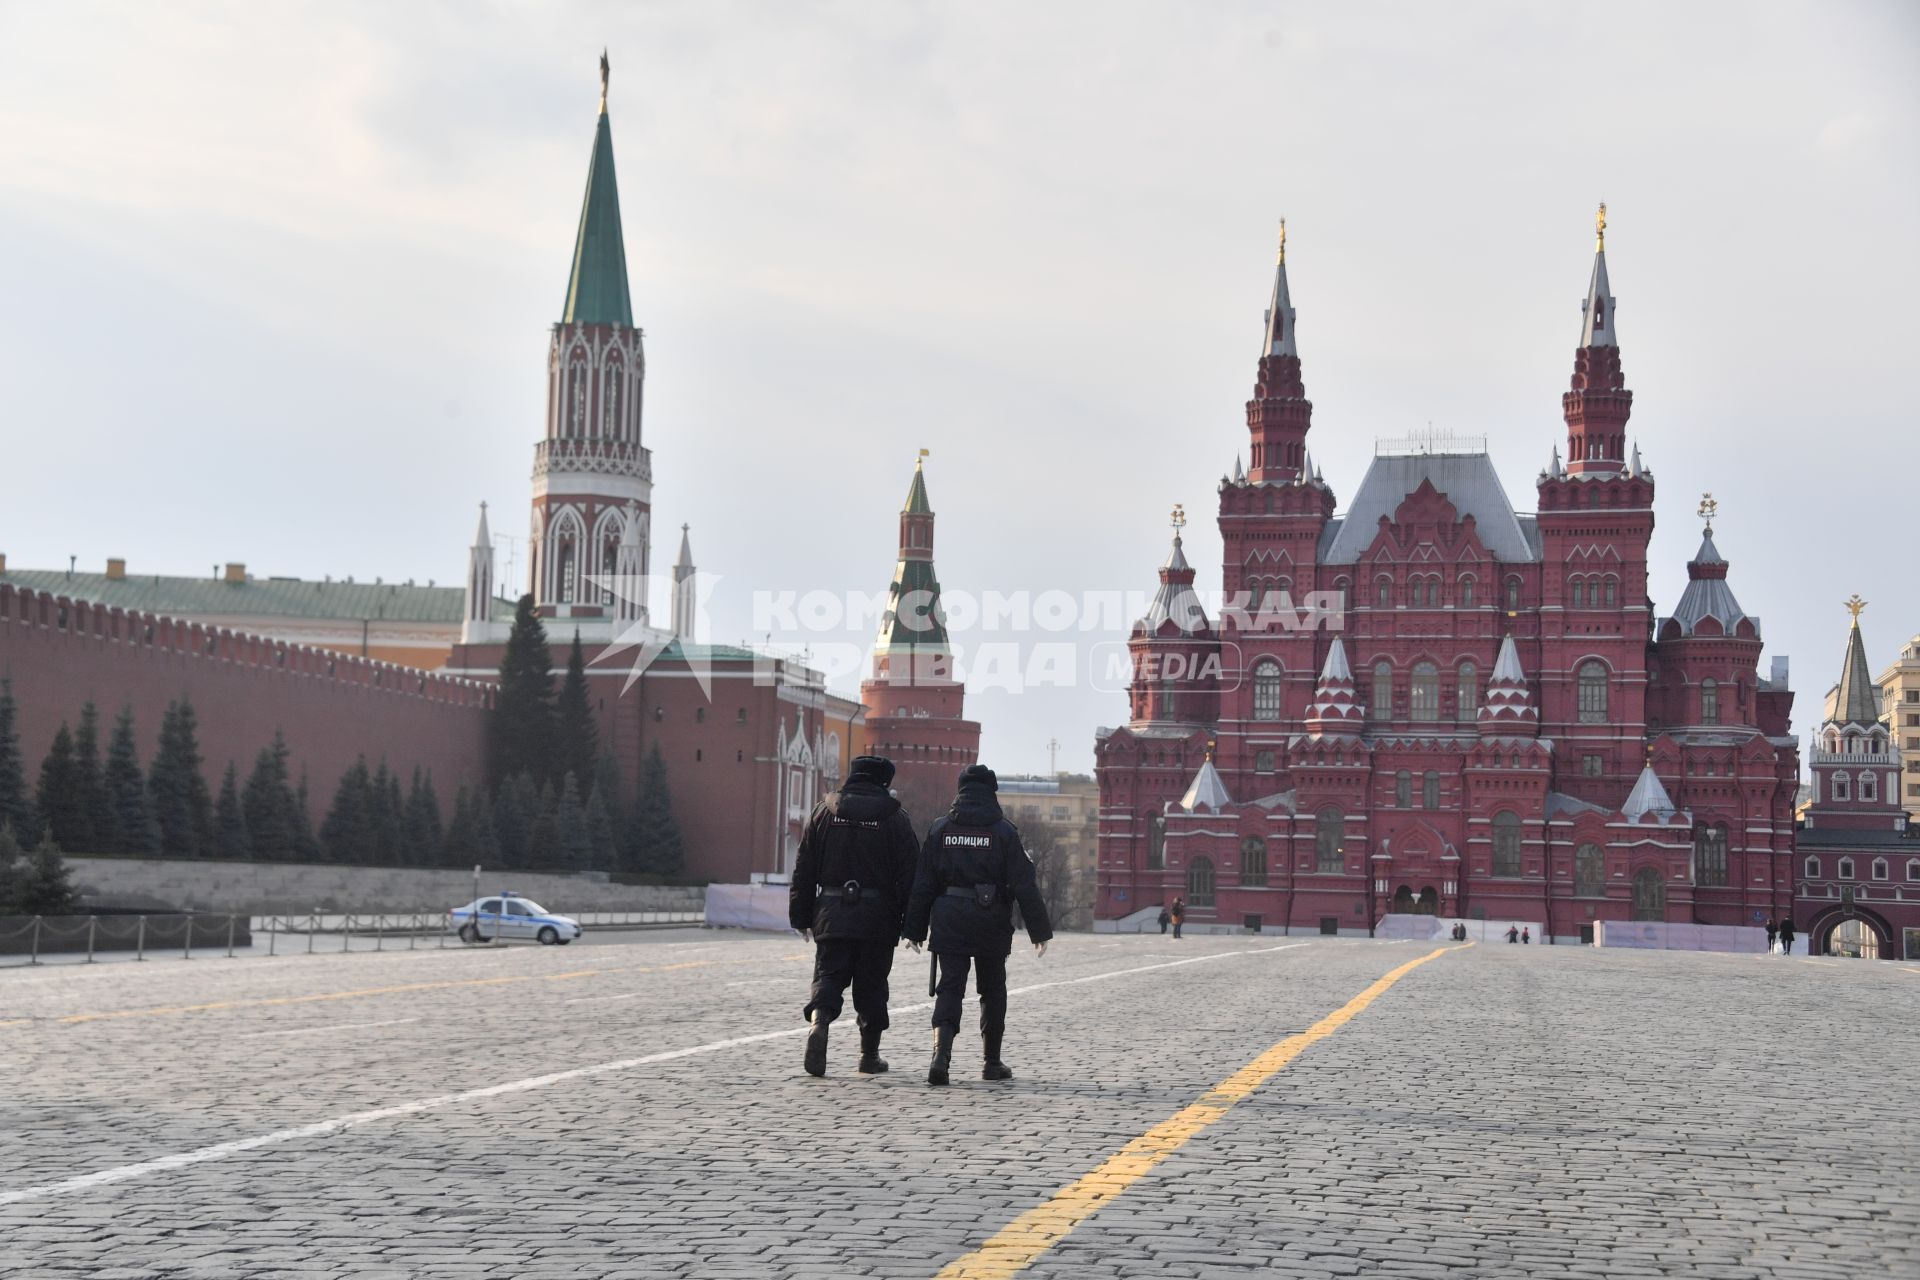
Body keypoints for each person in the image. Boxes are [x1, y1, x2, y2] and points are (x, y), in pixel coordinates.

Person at [903, 764, 1053, 1086]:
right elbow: (1024, 883)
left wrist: (914, 930)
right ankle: (991, 1061)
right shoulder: (1004, 832)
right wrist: (1039, 931)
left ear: (960, 791)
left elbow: (923, 883)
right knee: (993, 989)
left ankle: (940, 1058)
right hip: (991, 918)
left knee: (950, 987)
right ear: (992, 792)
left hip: (949, 916)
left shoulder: (940, 829)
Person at [789, 754, 920, 1077]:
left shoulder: (823, 812)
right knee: (872, 985)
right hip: (878, 917)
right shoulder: (895, 819)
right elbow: (911, 876)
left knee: (829, 976)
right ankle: (868, 1055)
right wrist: (913, 926)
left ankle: (819, 1023)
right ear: (883, 782)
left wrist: (800, 916)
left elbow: (804, 868)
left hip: (832, 913)